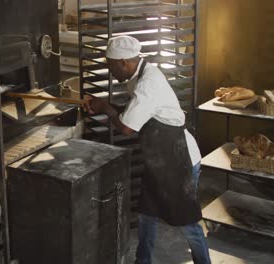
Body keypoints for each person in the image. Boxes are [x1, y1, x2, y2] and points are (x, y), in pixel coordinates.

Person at [84, 36, 212, 264]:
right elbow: (137, 112)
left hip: (179, 159)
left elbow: (127, 127)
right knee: (147, 214)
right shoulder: (140, 73)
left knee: (187, 222)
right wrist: (104, 105)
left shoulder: (148, 83)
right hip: (160, 159)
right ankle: (143, 261)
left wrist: (105, 107)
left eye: (111, 66)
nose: (111, 72)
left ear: (123, 62)